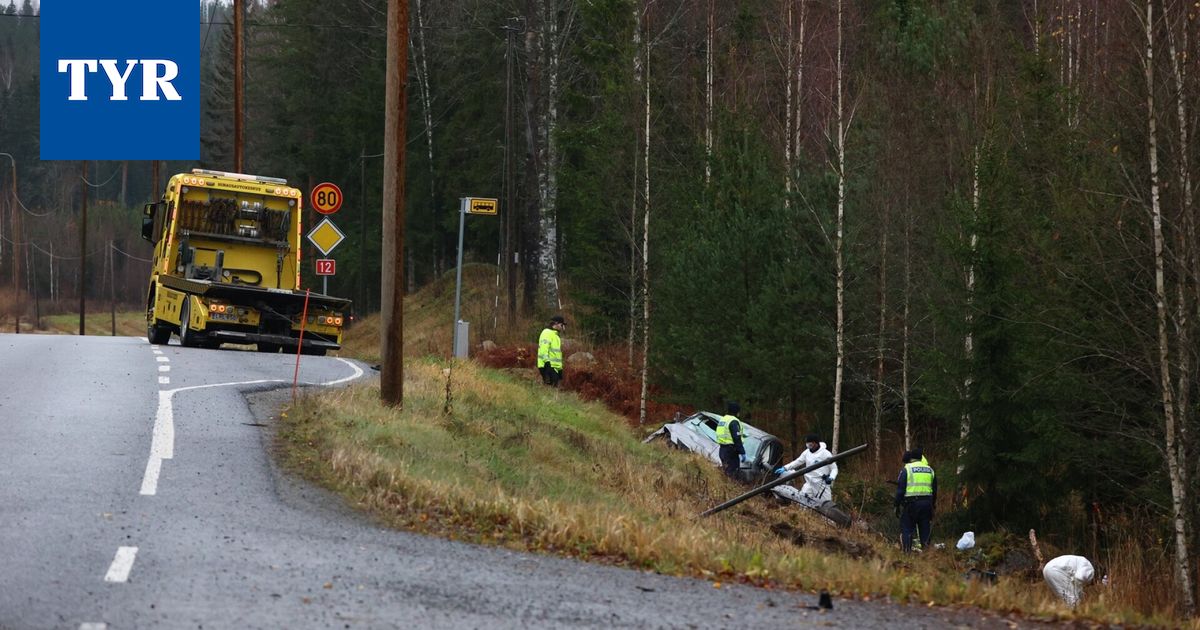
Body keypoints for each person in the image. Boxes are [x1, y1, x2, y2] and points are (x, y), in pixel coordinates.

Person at [774, 433, 838, 502]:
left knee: (825, 504)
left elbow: (834, 469)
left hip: (821, 484)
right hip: (809, 482)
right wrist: (785, 468)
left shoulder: (826, 454)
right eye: (807, 444)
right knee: (802, 501)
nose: (808, 446)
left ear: (815, 443)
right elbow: (798, 461)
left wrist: (831, 478)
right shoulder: (807, 452)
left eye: (810, 444)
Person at [895, 449, 936, 553]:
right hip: (927, 504)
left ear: (911, 458)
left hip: (911, 504)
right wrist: (933, 505)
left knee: (907, 528)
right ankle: (927, 553)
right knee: (925, 528)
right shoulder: (930, 470)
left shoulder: (907, 469)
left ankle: (907, 552)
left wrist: (896, 505)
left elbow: (900, 490)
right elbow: (935, 490)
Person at [715, 402, 746, 479]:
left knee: (726, 473)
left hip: (722, 450)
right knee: (733, 475)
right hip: (731, 452)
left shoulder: (723, 419)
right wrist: (742, 452)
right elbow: (736, 438)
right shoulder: (733, 421)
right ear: (736, 411)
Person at [537, 315, 565, 387]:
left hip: (554, 368)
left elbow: (556, 354)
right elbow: (543, 349)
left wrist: (559, 369)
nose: (563, 327)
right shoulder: (547, 333)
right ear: (556, 324)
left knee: (554, 390)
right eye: (562, 325)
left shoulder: (555, 335)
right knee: (551, 390)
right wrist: (547, 364)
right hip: (548, 366)